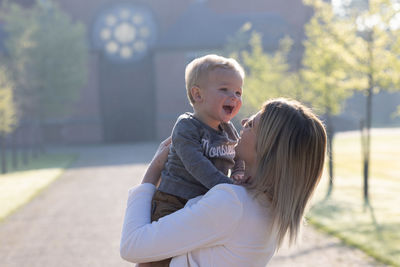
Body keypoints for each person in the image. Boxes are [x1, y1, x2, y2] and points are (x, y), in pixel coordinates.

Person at [120, 98, 327, 267]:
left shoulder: (233, 203)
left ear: (266, 148)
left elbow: (132, 245)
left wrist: (154, 169)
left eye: (252, 124)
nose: (243, 122)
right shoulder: (273, 211)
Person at [151, 54, 245, 224]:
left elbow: (239, 154)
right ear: (198, 95)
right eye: (224, 89)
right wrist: (228, 186)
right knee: (169, 244)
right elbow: (197, 165)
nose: (234, 97)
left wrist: (238, 171)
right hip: (175, 200)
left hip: (208, 198)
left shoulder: (228, 129)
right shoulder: (187, 126)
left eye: (238, 92)